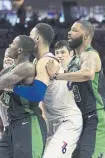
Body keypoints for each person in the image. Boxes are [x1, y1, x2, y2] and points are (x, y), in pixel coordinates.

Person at [12, 23, 83, 157]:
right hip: (51, 122)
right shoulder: (36, 63)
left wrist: (11, 87)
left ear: (37, 39)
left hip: (68, 121)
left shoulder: (46, 61)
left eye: (30, 35)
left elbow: (36, 94)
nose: (28, 38)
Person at [0, 35, 47, 158]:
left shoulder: (27, 67)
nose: (9, 46)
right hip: (11, 125)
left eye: (12, 43)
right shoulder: (6, 72)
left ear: (20, 50)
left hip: (28, 122)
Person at [46, 20, 105, 158]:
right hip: (78, 118)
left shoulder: (90, 54)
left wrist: (56, 75)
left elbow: (87, 74)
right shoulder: (73, 61)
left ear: (86, 35)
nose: (69, 32)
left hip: (94, 116)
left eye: (74, 30)